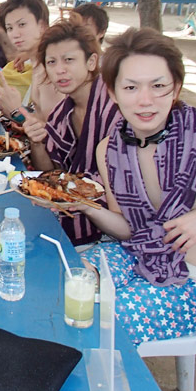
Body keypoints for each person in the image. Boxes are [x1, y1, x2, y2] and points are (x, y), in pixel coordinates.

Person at [76, 28, 196, 346]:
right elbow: (127, 230)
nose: (145, 100)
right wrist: (85, 206)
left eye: (158, 86)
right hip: (133, 253)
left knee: (100, 323)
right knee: (66, 285)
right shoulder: (109, 150)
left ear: (175, 87)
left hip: (193, 281)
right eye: (131, 87)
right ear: (113, 92)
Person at [20, 17, 121, 246]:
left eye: (69, 60)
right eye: (52, 62)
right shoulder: (62, 113)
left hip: (114, 230)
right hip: (76, 211)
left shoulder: (115, 109)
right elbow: (52, 172)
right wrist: (36, 142)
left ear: (91, 62)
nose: (59, 70)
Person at [0, 0, 63, 122]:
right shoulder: (36, 64)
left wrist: (15, 109)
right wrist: (2, 108)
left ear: (42, 26)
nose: (15, 34)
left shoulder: (50, 71)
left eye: (22, 25)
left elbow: (49, 130)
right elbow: (36, 118)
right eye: (10, 28)